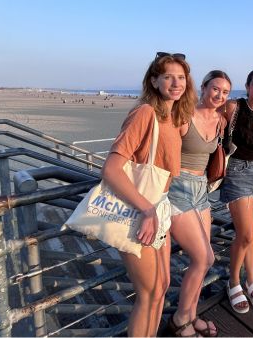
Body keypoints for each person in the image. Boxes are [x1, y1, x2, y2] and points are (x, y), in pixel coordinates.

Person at [102, 52, 195, 337]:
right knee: (149, 292)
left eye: (181, 77)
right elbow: (112, 169)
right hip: (140, 212)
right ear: (154, 81)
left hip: (158, 208)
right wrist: (146, 210)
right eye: (168, 76)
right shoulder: (145, 113)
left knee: (161, 287)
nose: (176, 83)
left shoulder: (172, 116)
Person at [167, 70, 230, 336]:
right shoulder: (184, 115)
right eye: (215, 89)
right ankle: (180, 319)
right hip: (177, 189)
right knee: (204, 258)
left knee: (205, 258)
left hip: (201, 191)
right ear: (202, 87)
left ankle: (191, 316)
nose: (219, 95)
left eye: (225, 92)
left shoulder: (220, 120)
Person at [219, 69, 253, 313]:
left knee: (252, 233)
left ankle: (251, 280)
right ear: (248, 86)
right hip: (238, 171)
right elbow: (206, 114)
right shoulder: (233, 106)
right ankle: (233, 282)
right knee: (246, 234)